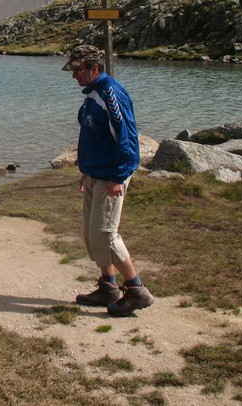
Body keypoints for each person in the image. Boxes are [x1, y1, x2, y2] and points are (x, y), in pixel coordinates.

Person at [62, 44, 153, 317]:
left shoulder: (110, 93)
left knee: (105, 234)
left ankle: (136, 289)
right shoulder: (92, 94)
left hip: (110, 177)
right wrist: (86, 170)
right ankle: (108, 286)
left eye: (78, 69)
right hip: (95, 173)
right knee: (93, 235)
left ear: (94, 67)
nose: (74, 75)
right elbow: (93, 135)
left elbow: (127, 137)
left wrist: (118, 177)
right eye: (73, 70)